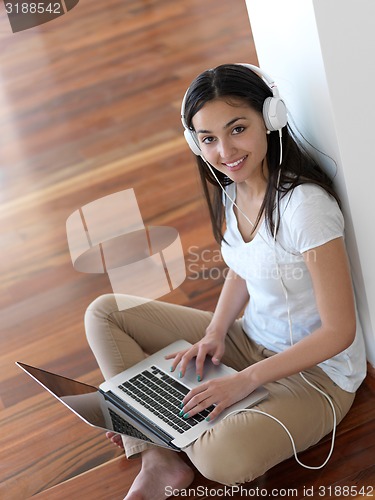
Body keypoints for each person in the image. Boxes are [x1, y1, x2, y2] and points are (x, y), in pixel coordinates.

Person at [84, 63, 367, 499]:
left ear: (270, 119)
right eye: (209, 139)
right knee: (105, 314)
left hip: (317, 376)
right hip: (247, 339)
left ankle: (147, 423)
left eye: (238, 129)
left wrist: (245, 380)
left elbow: (339, 331)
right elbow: (243, 265)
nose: (225, 151)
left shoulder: (305, 208)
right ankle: (158, 455)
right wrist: (215, 332)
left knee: (223, 459)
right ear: (194, 144)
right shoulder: (234, 190)